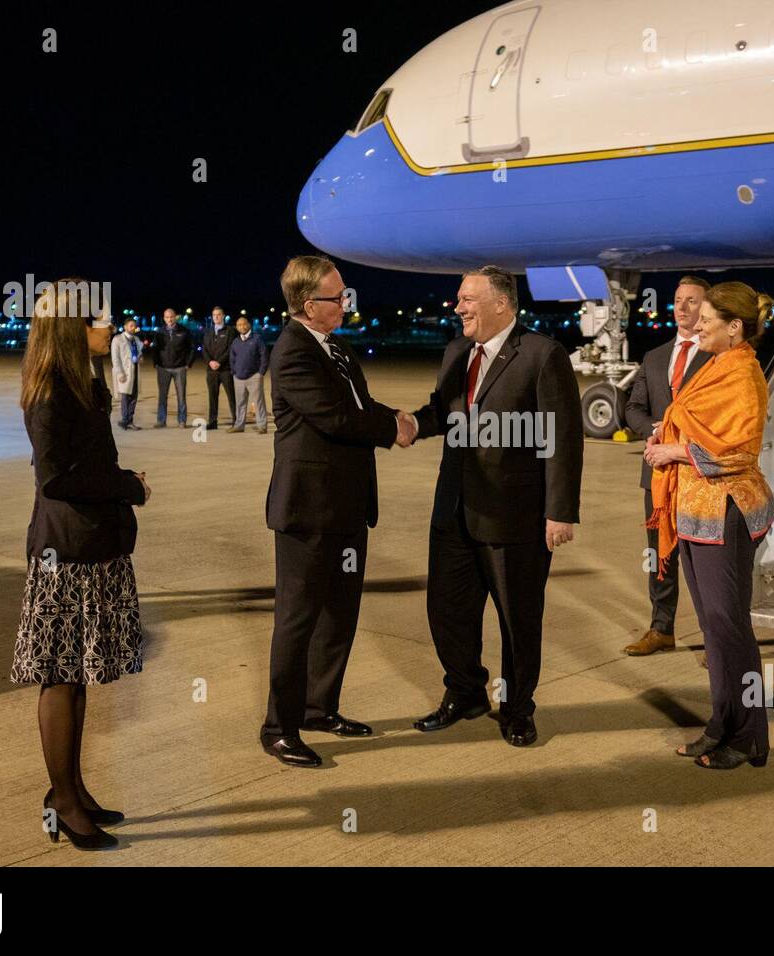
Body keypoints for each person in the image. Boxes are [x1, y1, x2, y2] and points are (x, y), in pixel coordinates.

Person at [404, 265, 583, 747]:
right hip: (455, 510)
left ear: (501, 304)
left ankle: (519, 708)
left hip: (516, 516)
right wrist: (413, 426)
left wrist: (560, 510)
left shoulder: (543, 355)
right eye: (459, 299)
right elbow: (444, 413)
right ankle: (465, 693)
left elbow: (562, 440)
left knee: (518, 619)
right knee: (447, 613)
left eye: (467, 299)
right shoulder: (457, 352)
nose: (458, 307)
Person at [11, 277, 152, 849]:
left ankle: (72, 788)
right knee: (61, 677)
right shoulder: (50, 392)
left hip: (91, 549)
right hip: (64, 555)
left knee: (78, 675)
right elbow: (58, 478)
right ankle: (63, 800)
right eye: (100, 321)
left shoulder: (82, 384)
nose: (110, 329)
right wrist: (130, 486)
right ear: (72, 328)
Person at [260, 255, 414, 768]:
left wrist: (400, 418)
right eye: (337, 296)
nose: (346, 302)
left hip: (348, 509)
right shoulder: (293, 352)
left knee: (339, 616)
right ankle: (278, 728)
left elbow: (362, 407)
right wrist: (394, 430)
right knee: (297, 621)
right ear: (310, 305)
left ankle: (318, 708)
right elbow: (336, 418)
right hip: (307, 512)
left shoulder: (338, 348)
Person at [644, 282, 774, 770]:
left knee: (731, 629)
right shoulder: (717, 364)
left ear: (734, 327)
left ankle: (749, 738)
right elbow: (694, 419)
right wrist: (667, 430)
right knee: (713, 630)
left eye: (706, 320)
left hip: (726, 514)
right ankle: (721, 726)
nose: (695, 325)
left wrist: (673, 450)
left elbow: (738, 451)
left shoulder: (743, 373)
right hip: (697, 515)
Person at [623, 276, 713, 656]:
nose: (682, 307)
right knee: (660, 555)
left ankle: (716, 639)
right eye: (678, 300)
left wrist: (679, 438)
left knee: (705, 561)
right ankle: (661, 628)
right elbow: (632, 409)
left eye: (692, 301)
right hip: (658, 475)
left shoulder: (718, 358)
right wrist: (654, 430)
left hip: (699, 474)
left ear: (706, 308)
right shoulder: (655, 357)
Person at [153, 308, 194, 428]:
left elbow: (192, 348)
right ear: (164, 318)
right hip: (163, 368)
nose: (169, 319)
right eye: (167, 317)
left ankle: (182, 420)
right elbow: (155, 349)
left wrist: (188, 364)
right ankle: (161, 420)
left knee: (181, 396)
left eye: (171, 317)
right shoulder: (160, 332)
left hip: (180, 368)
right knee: (162, 396)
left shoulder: (184, 331)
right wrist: (155, 363)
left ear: (175, 317)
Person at [228, 316, 269, 434]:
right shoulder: (235, 342)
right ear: (236, 327)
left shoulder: (257, 339)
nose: (242, 326)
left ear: (249, 325)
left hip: (254, 376)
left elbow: (264, 356)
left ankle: (262, 426)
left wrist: (261, 372)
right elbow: (232, 358)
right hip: (238, 378)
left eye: (244, 324)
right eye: (239, 325)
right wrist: (234, 372)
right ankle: (239, 425)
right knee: (240, 403)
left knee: (258, 402)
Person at [204, 306, 235, 429]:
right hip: (211, 370)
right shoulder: (208, 331)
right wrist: (210, 362)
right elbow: (204, 349)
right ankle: (213, 421)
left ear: (223, 316)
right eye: (214, 315)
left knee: (231, 396)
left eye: (218, 314)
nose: (216, 317)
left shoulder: (230, 331)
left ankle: (236, 420)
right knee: (212, 396)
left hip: (225, 369)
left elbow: (230, 349)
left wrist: (219, 362)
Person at [110, 318, 143, 430]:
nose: (133, 328)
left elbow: (138, 353)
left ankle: (130, 420)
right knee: (125, 397)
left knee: (134, 397)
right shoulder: (118, 339)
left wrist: (140, 358)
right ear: (125, 327)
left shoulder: (136, 339)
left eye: (134, 326)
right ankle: (125, 420)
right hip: (125, 372)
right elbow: (115, 358)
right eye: (131, 326)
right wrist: (120, 373)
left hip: (135, 371)